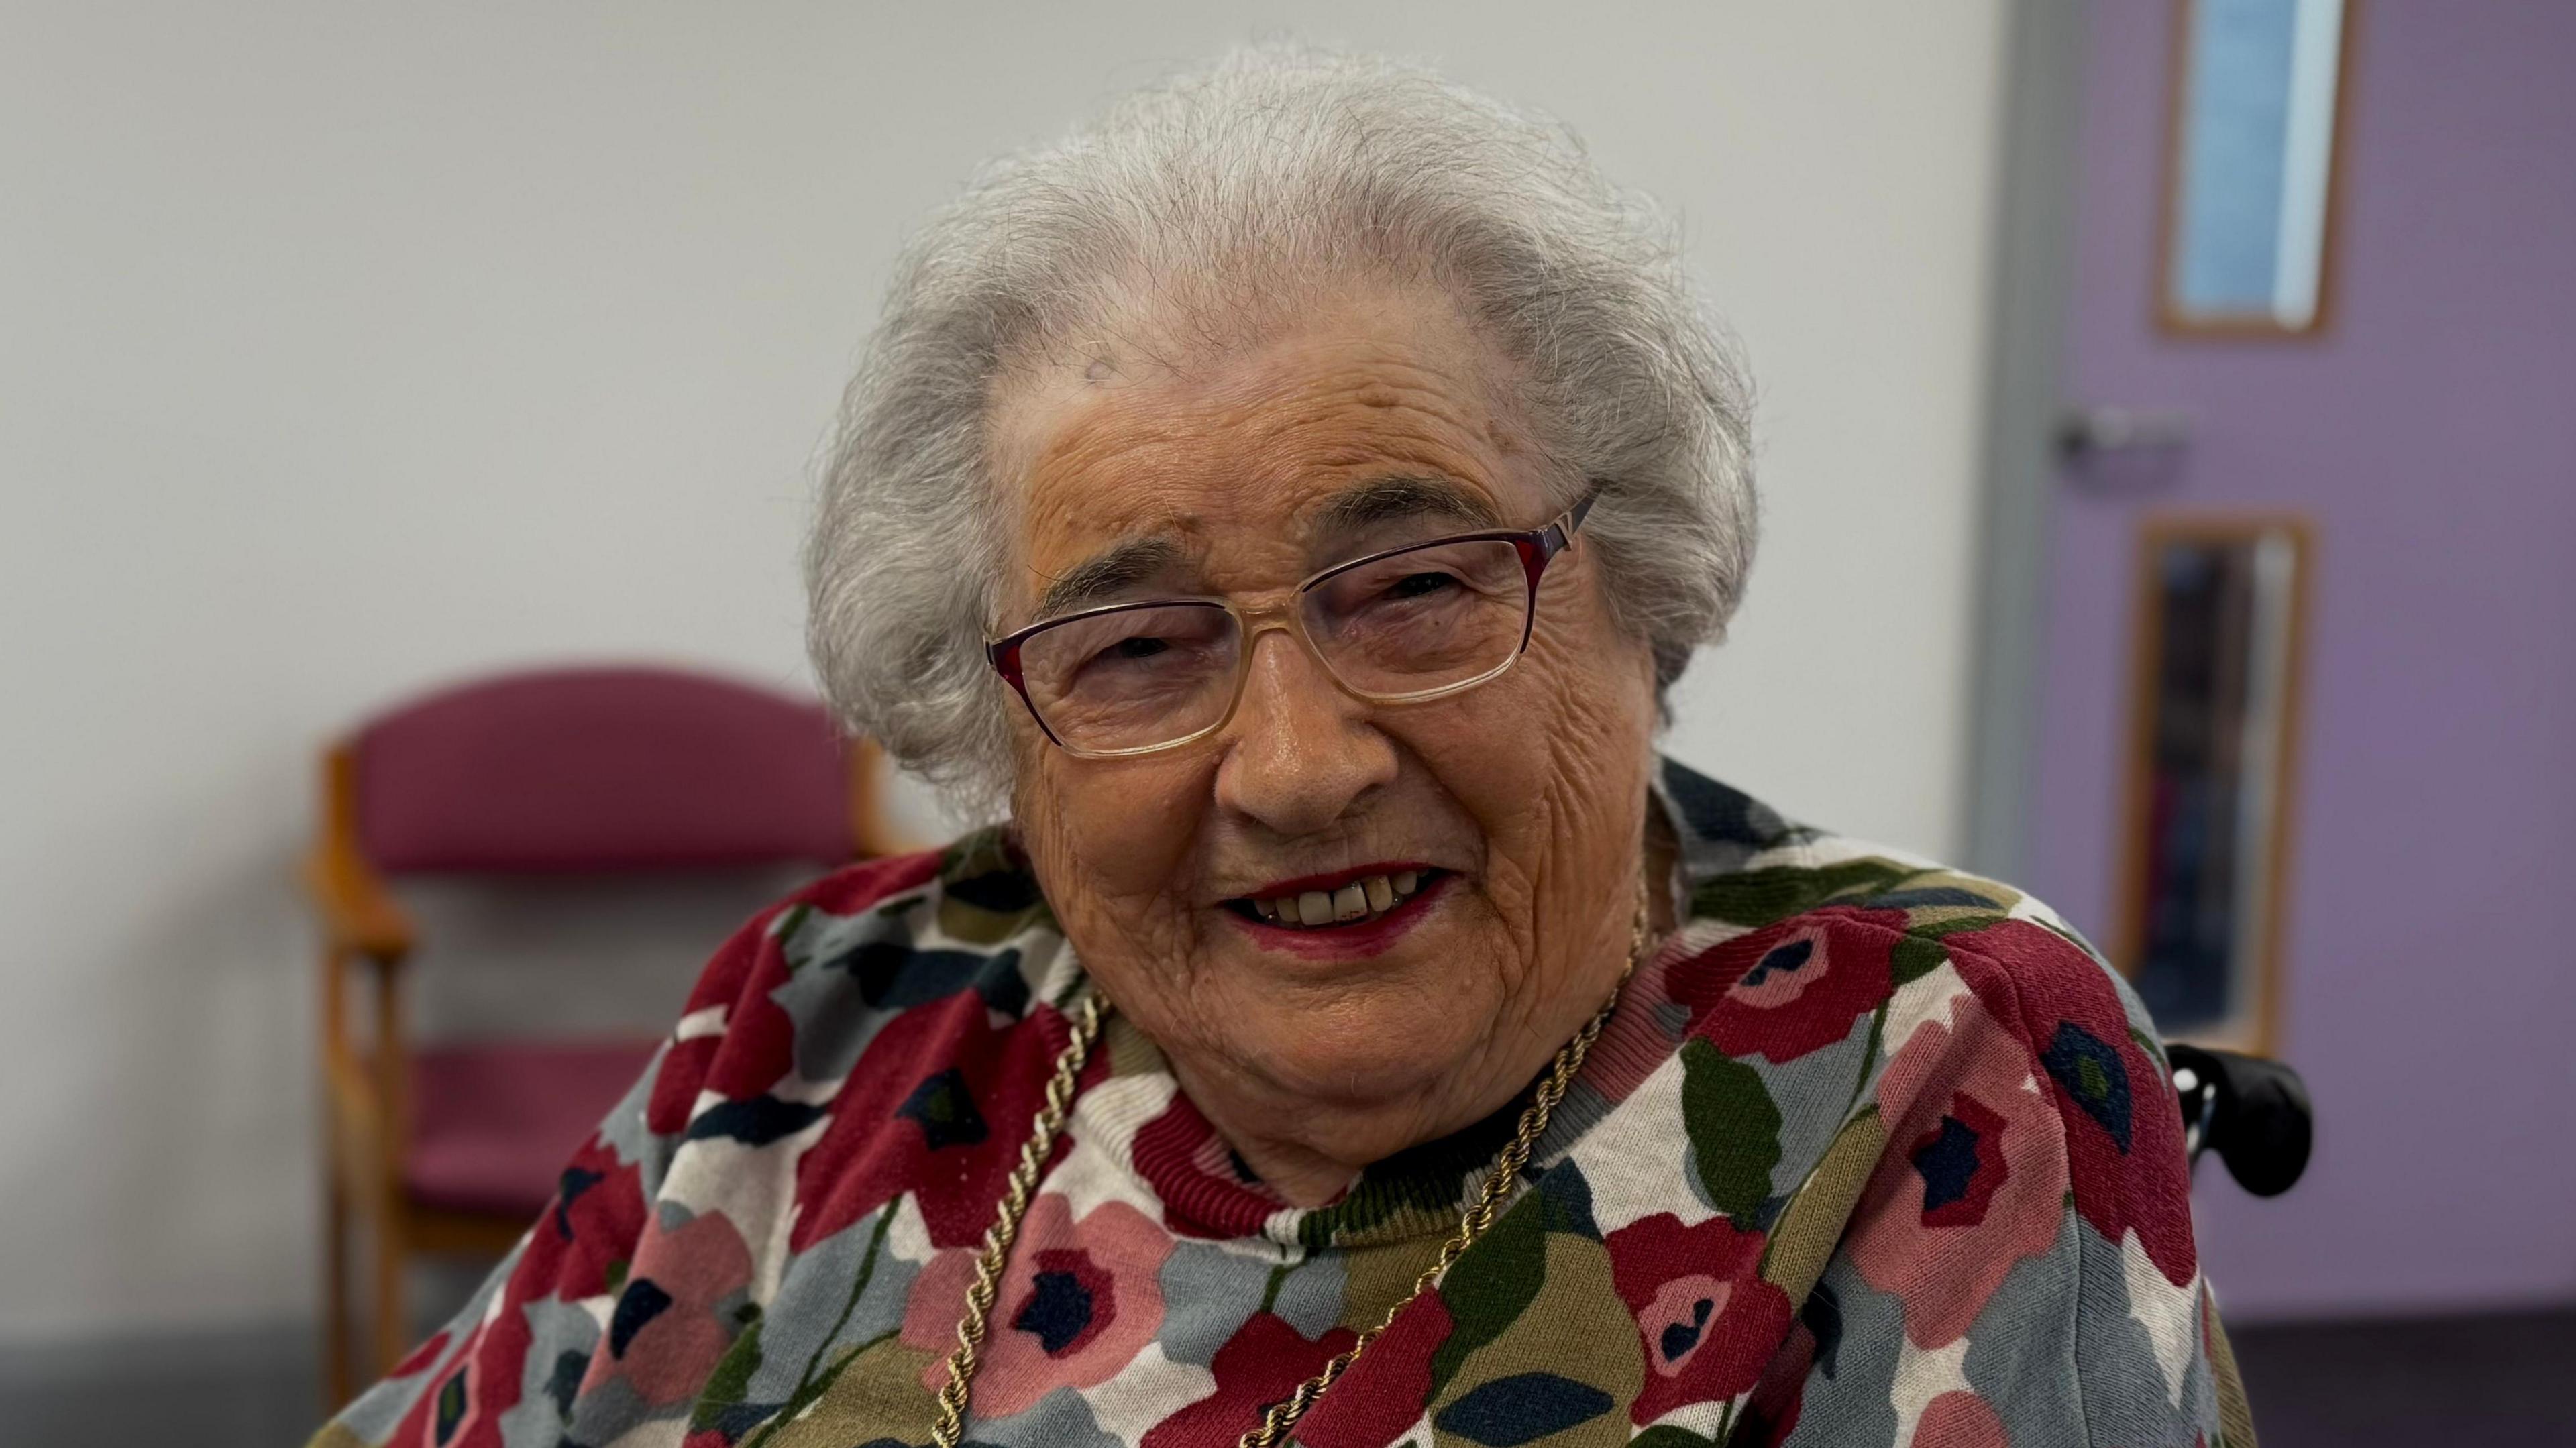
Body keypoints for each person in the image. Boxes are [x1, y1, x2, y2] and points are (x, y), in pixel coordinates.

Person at [316, 48, 2252, 1448]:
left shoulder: (1924, 1065)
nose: (1297, 765)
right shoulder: (826, 1015)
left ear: (1641, 593)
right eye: (1139, 645)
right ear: (999, 723)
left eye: (1413, 587)